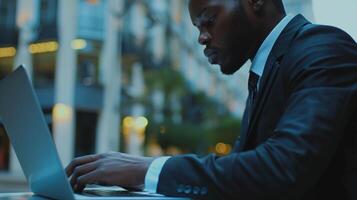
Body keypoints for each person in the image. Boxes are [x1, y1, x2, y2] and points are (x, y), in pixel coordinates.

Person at [66, 0, 357, 199]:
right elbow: (243, 178)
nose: (202, 38)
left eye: (209, 20)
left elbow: (282, 168)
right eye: (197, 28)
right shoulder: (264, 71)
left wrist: (148, 169)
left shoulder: (324, 49)